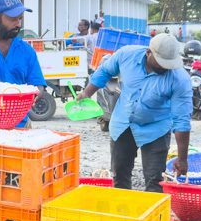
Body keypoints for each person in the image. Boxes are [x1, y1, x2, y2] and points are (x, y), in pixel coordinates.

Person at [77, 33, 192, 193]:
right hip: (123, 124)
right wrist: (86, 93)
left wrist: (182, 158)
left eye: (169, 64)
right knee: (120, 176)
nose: (165, 67)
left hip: (155, 129)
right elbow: (104, 71)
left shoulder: (180, 79)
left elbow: (182, 121)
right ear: (148, 53)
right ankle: (124, 215)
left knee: (155, 181)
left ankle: (150, 216)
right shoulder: (126, 55)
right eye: (161, 63)